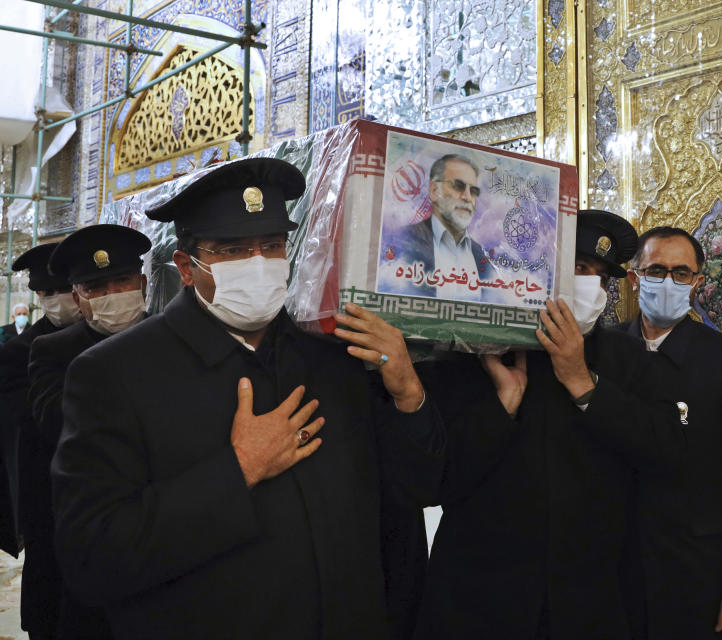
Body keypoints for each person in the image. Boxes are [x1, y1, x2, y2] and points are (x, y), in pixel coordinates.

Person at [51, 157, 444, 640]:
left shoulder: (335, 355)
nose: (257, 264)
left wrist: (408, 394)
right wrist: (238, 471)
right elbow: (91, 557)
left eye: (271, 245)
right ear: (187, 267)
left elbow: (413, 494)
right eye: (232, 250)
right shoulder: (114, 374)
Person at [413, 210, 685, 640]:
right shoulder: (478, 349)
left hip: (586, 606)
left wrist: (583, 382)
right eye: (578, 269)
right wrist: (503, 404)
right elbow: (435, 481)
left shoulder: (627, 357)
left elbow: (665, 449)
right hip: (478, 602)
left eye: (601, 278)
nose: (590, 288)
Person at [620, 226, 722, 640]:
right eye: (655, 270)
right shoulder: (604, 350)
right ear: (634, 278)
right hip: (614, 570)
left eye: (681, 273)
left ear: (697, 282)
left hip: (695, 572)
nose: (668, 281)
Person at [27, 225, 151, 640]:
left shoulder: (174, 338)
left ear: (143, 284)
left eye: (122, 281)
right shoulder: (52, 351)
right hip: (92, 534)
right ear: (78, 298)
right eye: (96, 286)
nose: (113, 293)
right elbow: (55, 424)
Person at [0, 242, 82, 564]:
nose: (58, 298)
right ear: (39, 297)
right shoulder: (17, 354)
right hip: (43, 491)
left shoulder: (114, 341)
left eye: (64, 288)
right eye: (49, 292)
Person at [385, 153, 497, 300]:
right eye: (458, 186)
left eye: (473, 191)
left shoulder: (483, 257)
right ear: (434, 190)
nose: (468, 197)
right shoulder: (405, 241)